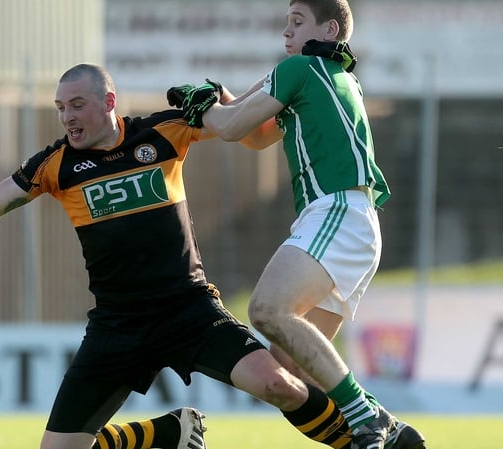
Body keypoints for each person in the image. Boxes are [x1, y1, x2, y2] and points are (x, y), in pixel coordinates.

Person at [0, 62, 364, 449]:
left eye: (77, 105)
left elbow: (250, 130)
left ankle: (368, 438)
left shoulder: (165, 132)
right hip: (117, 327)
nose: (67, 117)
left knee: (280, 384)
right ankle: (167, 436)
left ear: (109, 102)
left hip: (188, 311)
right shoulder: (56, 165)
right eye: (61, 107)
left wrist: (235, 94)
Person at [166, 1, 426, 448]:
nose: (286, 30)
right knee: (290, 369)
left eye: (298, 21)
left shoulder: (300, 68)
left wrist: (206, 107)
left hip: (336, 213)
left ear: (328, 29)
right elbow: (255, 134)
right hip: (356, 222)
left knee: (267, 310)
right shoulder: (331, 76)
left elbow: (229, 129)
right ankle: (388, 428)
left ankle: (366, 419)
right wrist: (223, 101)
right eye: (286, 21)